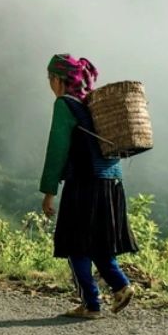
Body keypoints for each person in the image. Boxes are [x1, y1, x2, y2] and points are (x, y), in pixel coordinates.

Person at [39, 54, 137, 318]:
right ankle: (120, 285)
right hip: (112, 182)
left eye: (50, 78)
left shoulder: (65, 105)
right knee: (99, 242)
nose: (49, 84)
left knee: (75, 243)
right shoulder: (92, 104)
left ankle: (91, 303)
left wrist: (49, 191)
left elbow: (57, 149)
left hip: (84, 182)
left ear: (59, 80)